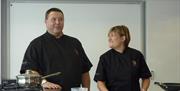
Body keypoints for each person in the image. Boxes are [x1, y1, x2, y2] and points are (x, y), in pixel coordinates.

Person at [20, 8, 92, 91]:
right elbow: (30, 71)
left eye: (61, 19)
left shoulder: (75, 43)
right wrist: (43, 82)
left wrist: (87, 90)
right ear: (46, 21)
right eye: (53, 19)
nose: (57, 22)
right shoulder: (36, 44)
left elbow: (85, 71)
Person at [94, 25, 152, 91]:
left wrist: (143, 89)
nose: (109, 39)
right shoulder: (105, 58)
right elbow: (100, 82)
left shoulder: (137, 55)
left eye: (112, 36)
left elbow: (146, 77)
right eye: (109, 36)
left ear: (123, 38)